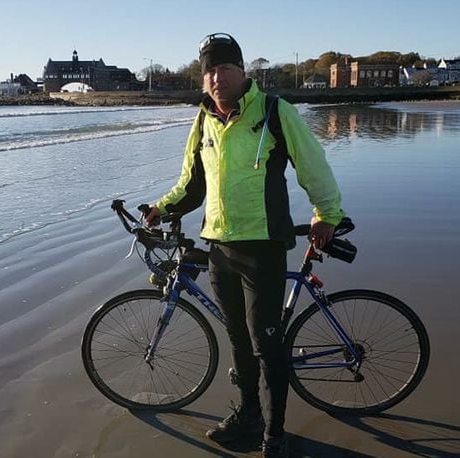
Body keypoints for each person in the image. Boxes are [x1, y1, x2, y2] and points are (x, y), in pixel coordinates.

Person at [145, 33, 344, 458]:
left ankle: (275, 436)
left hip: (263, 247)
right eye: (209, 71)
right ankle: (249, 417)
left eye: (224, 68)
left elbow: (313, 165)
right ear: (203, 79)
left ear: (242, 72)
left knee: (266, 345)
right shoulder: (202, 121)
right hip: (219, 244)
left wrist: (326, 214)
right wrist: (161, 208)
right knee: (239, 341)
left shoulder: (274, 112)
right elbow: (192, 184)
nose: (217, 78)